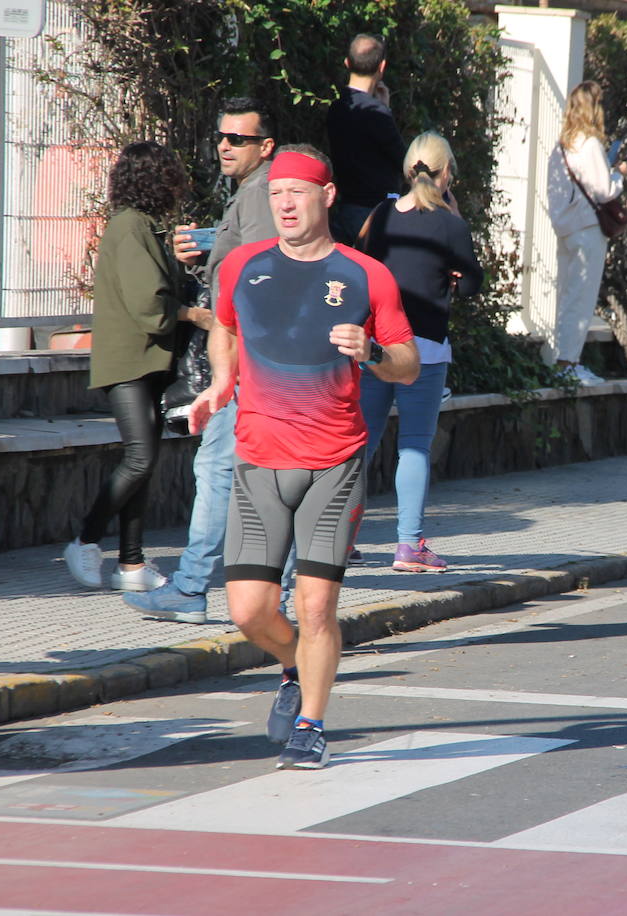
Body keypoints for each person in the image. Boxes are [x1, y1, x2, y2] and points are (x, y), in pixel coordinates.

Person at [188, 145, 418, 769]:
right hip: (259, 460)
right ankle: (292, 667)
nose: (285, 203)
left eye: (298, 191)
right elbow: (225, 327)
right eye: (277, 193)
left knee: (316, 605)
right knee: (249, 611)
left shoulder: (368, 276)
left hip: (333, 463)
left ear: (328, 195)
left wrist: (370, 352)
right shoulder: (241, 266)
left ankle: (311, 725)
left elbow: (409, 365)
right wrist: (220, 383)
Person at [122, 97, 278, 625]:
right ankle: (280, 593)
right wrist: (210, 247)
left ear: (265, 146)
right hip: (256, 359)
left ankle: (192, 588)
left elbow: (259, 268)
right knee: (266, 476)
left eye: (239, 139)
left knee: (219, 469)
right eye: (222, 137)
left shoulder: (260, 194)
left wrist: (211, 255)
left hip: (250, 359)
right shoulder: (253, 193)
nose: (225, 146)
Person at [63, 142, 212, 590]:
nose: (178, 184)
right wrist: (193, 315)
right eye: (171, 176)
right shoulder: (130, 227)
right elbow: (148, 301)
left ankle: (131, 565)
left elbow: (155, 288)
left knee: (143, 461)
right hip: (129, 359)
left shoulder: (141, 226)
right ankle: (85, 541)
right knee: (141, 458)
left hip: (144, 359)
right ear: (155, 180)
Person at [356, 131, 483, 572]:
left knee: (362, 442)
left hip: (376, 348)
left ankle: (337, 536)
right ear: (446, 173)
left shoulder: (383, 213)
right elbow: (469, 284)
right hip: (425, 350)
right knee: (413, 447)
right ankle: (409, 547)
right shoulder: (451, 223)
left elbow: (361, 265)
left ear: (408, 170)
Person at [545, 80, 627, 385]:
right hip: (587, 228)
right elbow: (604, 191)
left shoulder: (562, 144)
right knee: (581, 297)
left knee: (568, 296)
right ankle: (569, 364)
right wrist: (619, 175)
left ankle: (562, 361)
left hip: (566, 228)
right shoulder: (589, 143)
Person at [325, 33, 405, 245]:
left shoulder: (335, 106)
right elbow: (401, 159)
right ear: (382, 66)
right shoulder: (376, 112)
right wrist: (385, 109)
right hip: (376, 212)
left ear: (347, 63)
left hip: (344, 208)